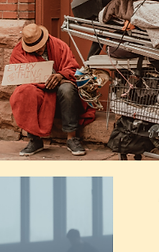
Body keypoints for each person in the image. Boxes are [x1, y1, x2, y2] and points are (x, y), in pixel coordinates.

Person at [8, 23, 95, 156]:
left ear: (45, 40)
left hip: (61, 93)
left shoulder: (59, 45)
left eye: (39, 47)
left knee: (67, 89)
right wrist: (42, 83)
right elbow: (18, 78)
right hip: (38, 91)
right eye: (33, 49)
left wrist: (60, 76)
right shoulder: (18, 51)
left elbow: (73, 69)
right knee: (25, 91)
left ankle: (72, 138)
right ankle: (34, 139)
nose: (37, 51)